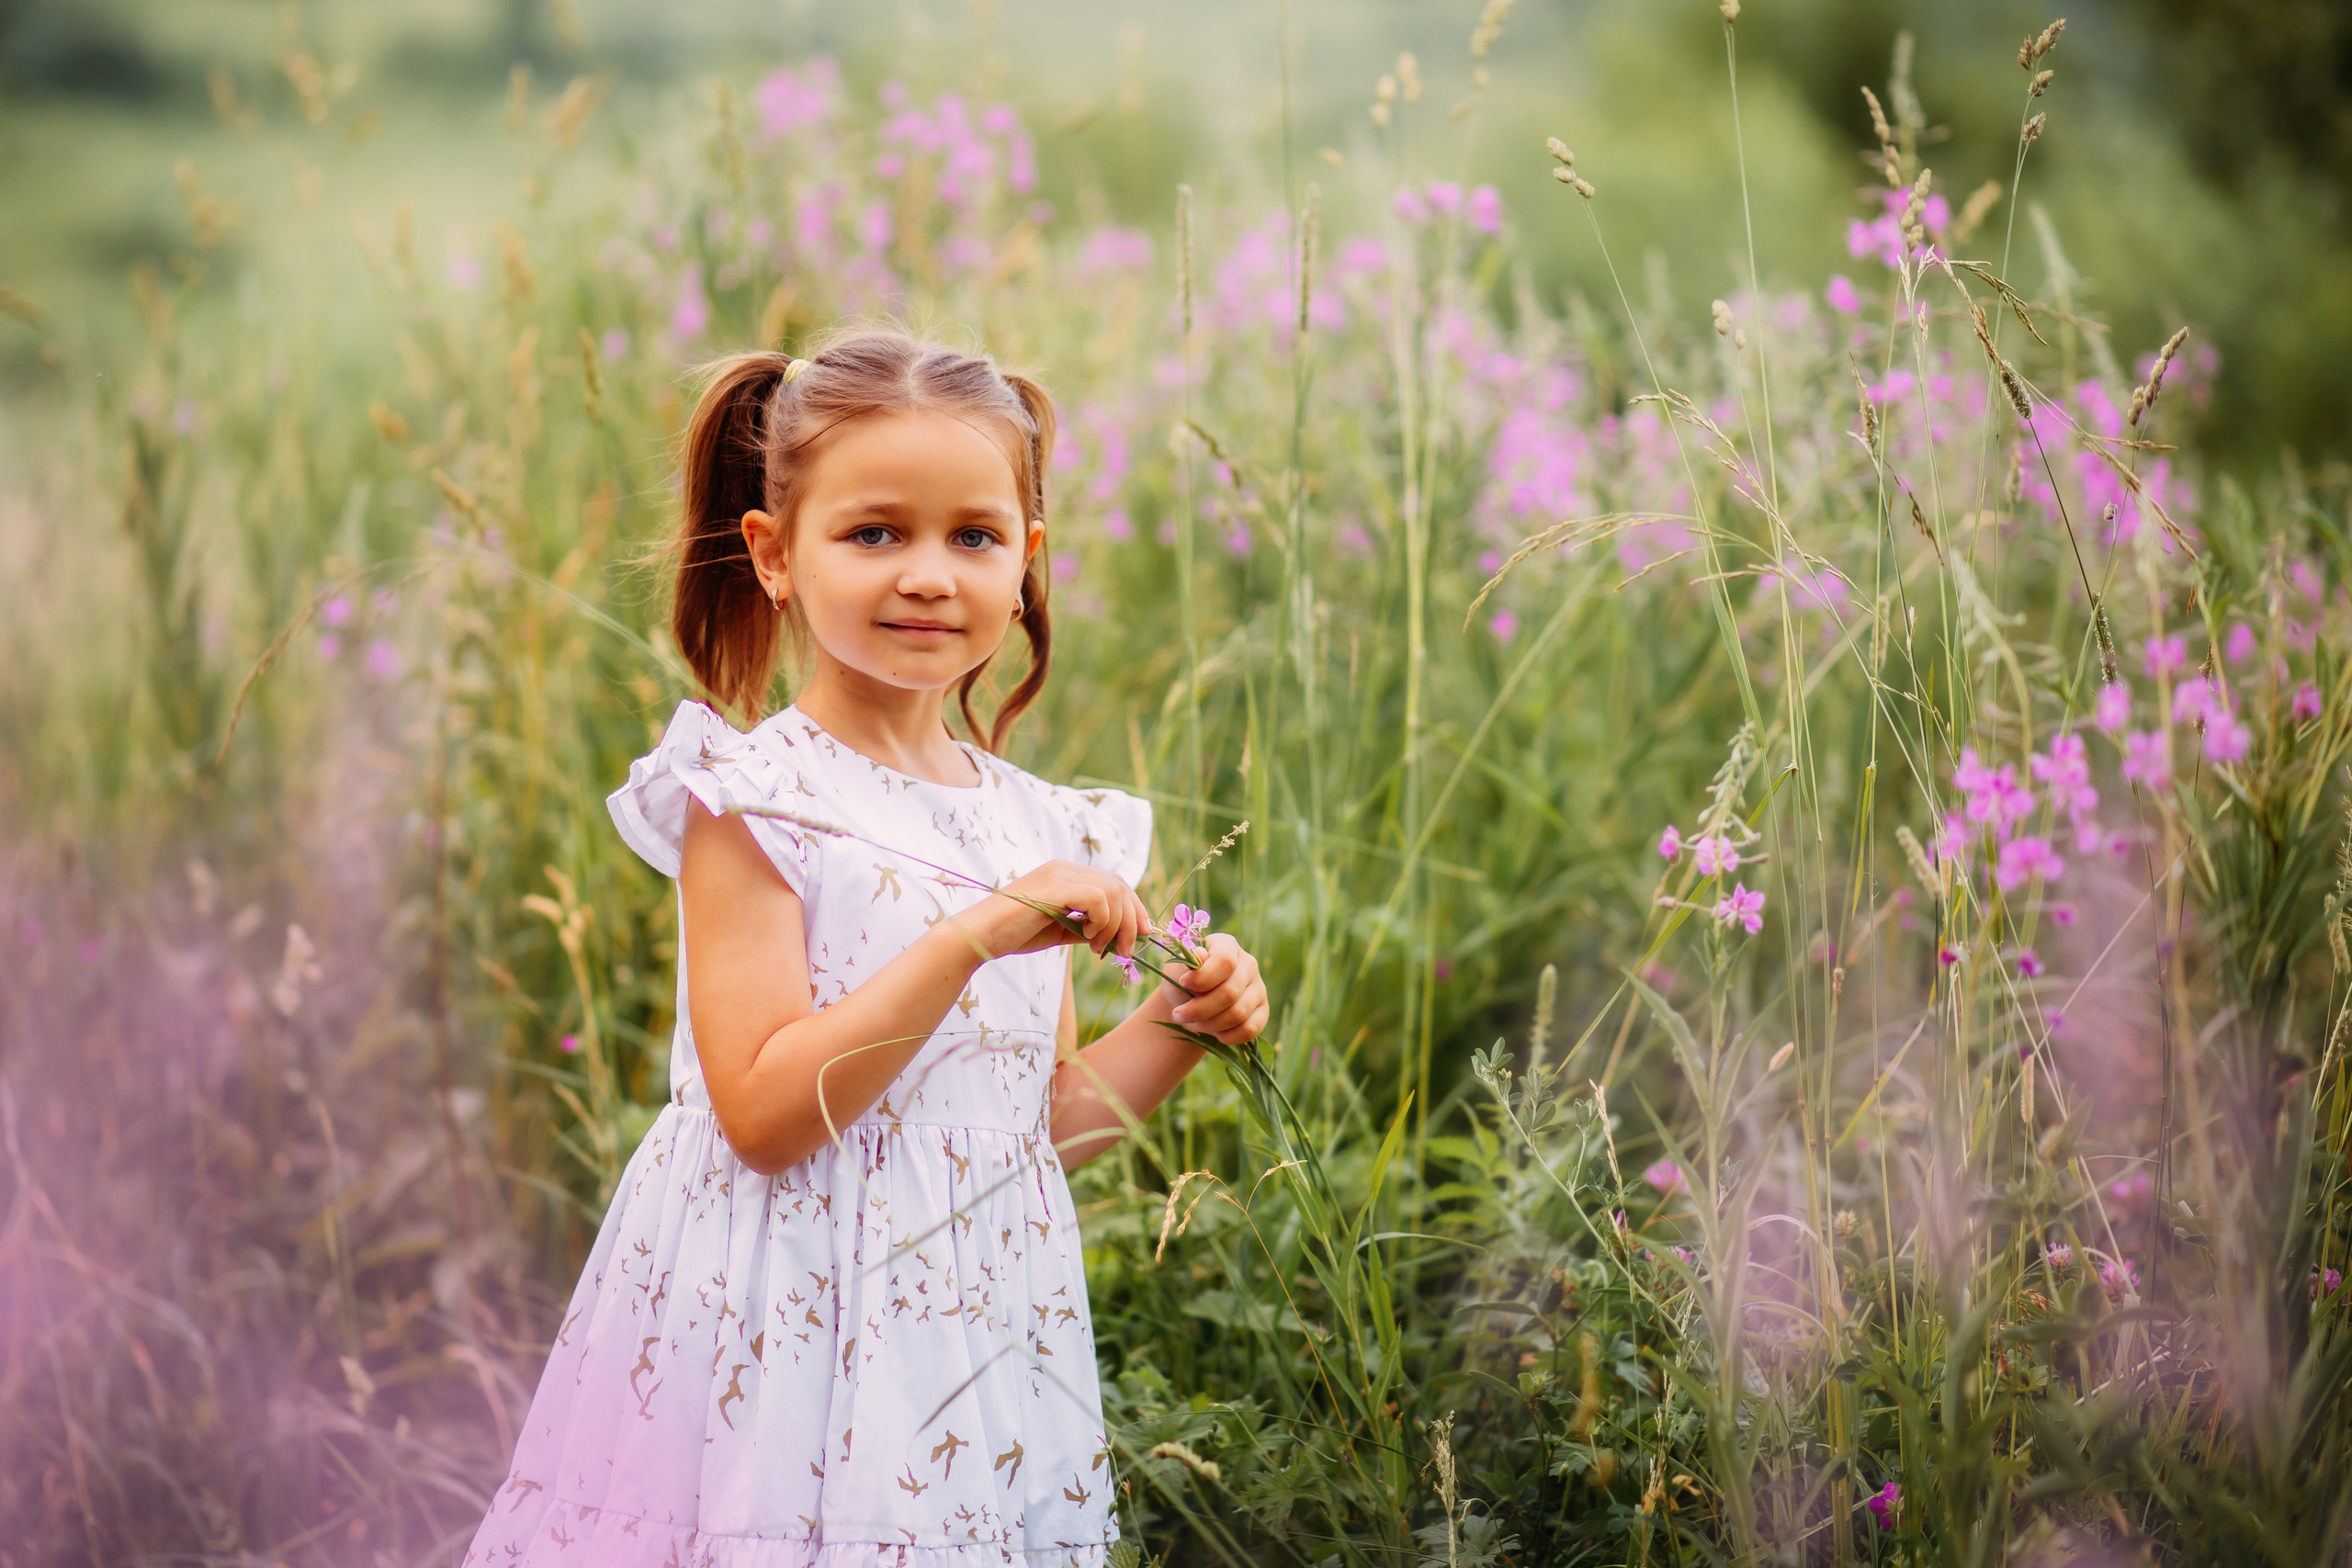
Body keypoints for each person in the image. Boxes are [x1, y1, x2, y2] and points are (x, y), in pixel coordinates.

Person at [463, 329, 1268, 1564]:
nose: (929, 576)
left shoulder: (1040, 826)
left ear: (1027, 562)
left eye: (974, 538)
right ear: (775, 555)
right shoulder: (756, 802)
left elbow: (1036, 1128)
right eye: (876, 533)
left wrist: (1179, 1025)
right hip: (774, 1329)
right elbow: (764, 1116)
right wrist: (973, 936)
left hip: (966, 1348)